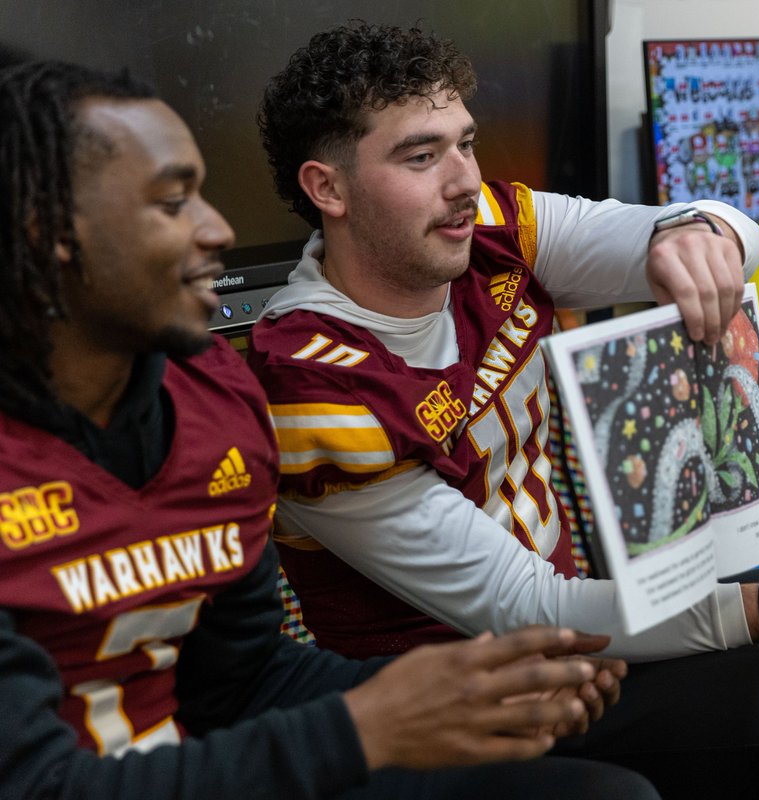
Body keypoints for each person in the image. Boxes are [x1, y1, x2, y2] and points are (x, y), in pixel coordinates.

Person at [249, 22, 759, 799]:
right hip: (490, 698)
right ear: (328, 189)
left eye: (465, 144)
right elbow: (530, 607)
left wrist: (694, 233)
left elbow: (731, 233)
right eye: (420, 156)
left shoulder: (497, 230)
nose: (463, 180)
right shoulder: (312, 383)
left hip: (596, 622)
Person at [0, 59, 665, 800]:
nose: (217, 228)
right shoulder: (302, 374)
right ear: (52, 231)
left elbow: (243, 679)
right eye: (172, 202)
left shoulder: (218, 394)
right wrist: (364, 728)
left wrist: (475, 692)